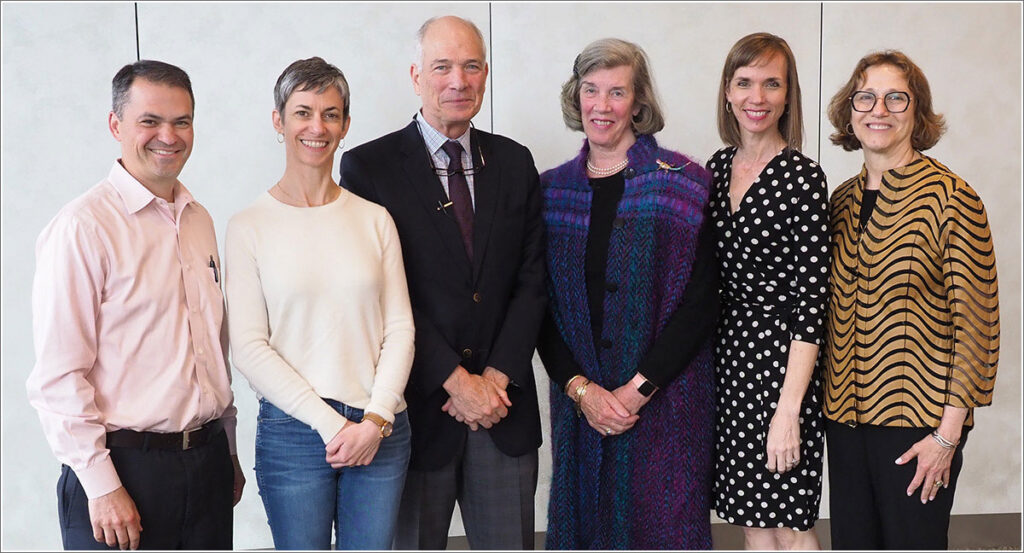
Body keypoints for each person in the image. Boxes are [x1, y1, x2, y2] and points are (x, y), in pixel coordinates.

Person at [339, 16, 546, 550]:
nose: (459, 80)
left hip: (504, 411)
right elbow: (382, 295)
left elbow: (532, 281)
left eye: (472, 66)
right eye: (442, 67)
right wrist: (456, 381)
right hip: (416, 411)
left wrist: (494, 379)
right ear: (416, 76)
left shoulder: (515, 161)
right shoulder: (368, 168)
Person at [26, 60, 244, 550]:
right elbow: (59, 377)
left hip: (206, 463)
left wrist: (227, 451)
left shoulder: (199, 220)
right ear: (116, 125)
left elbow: (213, 347)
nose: (168, 135)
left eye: (182, 121)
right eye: (150, 121)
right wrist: (102, 486)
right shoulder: (83, 228)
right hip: (124, 471)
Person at [224, 57, 415, 550]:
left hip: (381, 427)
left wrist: (373, 421)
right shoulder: (249, 226)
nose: (317, 127)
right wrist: (334, 425)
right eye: (303, 112)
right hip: (293, 433)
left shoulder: (374, 219)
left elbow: (400, 329)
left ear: (346, 125)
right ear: (278, 120)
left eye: (331, 114)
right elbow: (248, 348)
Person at [536, 38, 719, 549]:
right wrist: (583, 392)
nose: (601, 105)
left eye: (617, 92)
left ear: (638, 103)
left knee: (665, 527)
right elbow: (538, 306)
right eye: (590, 90)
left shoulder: (684, 183)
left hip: (668, 407)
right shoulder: (551, 191)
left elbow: (702, 302)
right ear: (576, 98)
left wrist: (636, 389)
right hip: (581, 410)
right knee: (585, 527)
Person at [823, 50, 1000, 550]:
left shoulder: (952, 197)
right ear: (850, 111)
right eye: (866, 97)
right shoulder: (842, 201)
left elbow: (977, 328)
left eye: (895, 97)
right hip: (845, 420)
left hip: (919, 425)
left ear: (917, 112)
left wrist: (947, 437)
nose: (879, 109)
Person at [706, 32, 829, 550]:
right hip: (729, 363)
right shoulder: (712, 170)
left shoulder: (803, 178)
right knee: (753, 519)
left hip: (785, 367)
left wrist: (788, 412)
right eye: (745, 82)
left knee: (792, 527)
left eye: (771, 84)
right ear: (729, 93)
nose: (758, 97)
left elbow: (811, 304)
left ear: (787, 95)